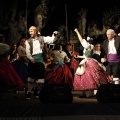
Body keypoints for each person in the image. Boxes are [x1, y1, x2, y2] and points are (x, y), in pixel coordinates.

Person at [73, 28, 112, 97]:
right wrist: (79, 56)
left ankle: (89, 93)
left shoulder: (88, 46)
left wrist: (77, 32)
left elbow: (81, 40)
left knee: (87, 77)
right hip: (88, 60)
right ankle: (85, 93)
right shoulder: (89, 47)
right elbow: (86, 55)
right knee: (86, 77)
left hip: (88, 62)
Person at [25, 26, 59, 99]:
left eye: (31, 31)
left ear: (36, 31)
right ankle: (29, 92)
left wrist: (55, 34)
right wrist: (31, 58)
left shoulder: (41, 38)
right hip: (32, 59)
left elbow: (52, 40)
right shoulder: (28, 41)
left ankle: (37, 90)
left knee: (40, 77)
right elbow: (27, 52)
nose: (30, 32)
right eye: (29, 31)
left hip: (40, 59)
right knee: (31, 77)